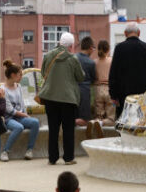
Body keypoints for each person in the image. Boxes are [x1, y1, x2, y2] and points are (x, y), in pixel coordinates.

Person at [39, 32, 85, 166]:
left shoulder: (48, 56)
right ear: (71, 46)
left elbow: (43, 73)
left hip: (50, 98)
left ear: (60, 43)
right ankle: (68, 158)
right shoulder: (73, 59)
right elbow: (80, 77)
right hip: (68, 99)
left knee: (53, 129)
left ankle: (52, 158)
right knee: (68, 130)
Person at [108, 22, 146, 117]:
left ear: (125, 33)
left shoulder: (119, 48)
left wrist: (113, 95)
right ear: (139, 33)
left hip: (123, 95)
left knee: (124, 122)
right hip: (143, 95)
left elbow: (113, 73)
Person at [0, 60, 38, 161]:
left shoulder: (19, 86)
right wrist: (24, 115)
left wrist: (25, 114)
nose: (21, 77)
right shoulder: (3, 89)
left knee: (35, 122)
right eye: (19, 75)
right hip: (8, 119)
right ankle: (5, 152)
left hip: (20, 116)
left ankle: (29, 150)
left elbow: (22, 103)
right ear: (13, 75)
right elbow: (9, 109)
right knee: (19, 127)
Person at [91, 39, 115, 129]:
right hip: (110, 90)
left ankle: (96, 122)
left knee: (98, 116)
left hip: (98, 89)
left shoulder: (94, 62)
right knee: (111, 119)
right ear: (108, 49)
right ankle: (102, 123)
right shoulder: (112, 61)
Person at [74, 37, 96, 130]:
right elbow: (93, 79)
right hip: (85, 91)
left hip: (73, 90)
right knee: (85, 119)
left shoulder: (74, 58)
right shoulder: (91, 62)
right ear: (90, 48)